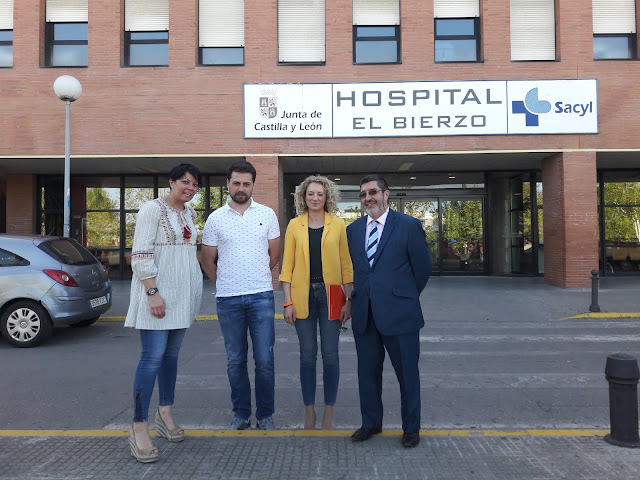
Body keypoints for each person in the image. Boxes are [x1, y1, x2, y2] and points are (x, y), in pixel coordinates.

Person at [124, 163, 203, 463]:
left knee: (171, 357)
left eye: (195, 185)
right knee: (152, 357)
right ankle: (139, 426)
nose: (190, 188)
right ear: (171, 182)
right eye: (185, 182)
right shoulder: (151, 210)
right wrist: (152, 292)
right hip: (156, 295)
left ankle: (165, 413)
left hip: (182, 297)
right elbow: (141, 254)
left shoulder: (189, 214)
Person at [346, 174, 431, 448]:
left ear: (386, 194)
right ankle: (371, 423)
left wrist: (402, 297)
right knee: (367, 374)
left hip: (400, 314)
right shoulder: (354, 230)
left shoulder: (408, 225)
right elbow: (357, 271)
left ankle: (411, 428)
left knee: (407, 375)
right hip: (365, 314)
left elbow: (422, 270)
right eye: (363, 194)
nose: (368, 198)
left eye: (372, 192)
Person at [201, 160, 281, 431]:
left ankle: (266, 415)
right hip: (228, 300)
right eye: (236, 182)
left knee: (265, 359)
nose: (241, 188)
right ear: (228, 183)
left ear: (253, 185)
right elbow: (208, 260)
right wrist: (225, 282)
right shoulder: (215, 218)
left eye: (246, 183)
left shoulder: (267, 214)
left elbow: (275, 255)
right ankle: (241, 414)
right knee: (236, 360)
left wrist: (257, 275)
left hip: (261, 297)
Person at [279, 176, 353, 430]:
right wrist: (287, 302)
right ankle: (309, 410)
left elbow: (346, 266)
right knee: (307, 356)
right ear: (303, 197)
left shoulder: (339, 225)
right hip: (302, 296)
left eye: (320, 194)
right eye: (310, 194)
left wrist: (349, 301)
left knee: (331, 355)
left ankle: (329, 412)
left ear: (327, 197)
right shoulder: (294, 225)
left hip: (332, 296)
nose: (315, 198)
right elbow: (286, 266)